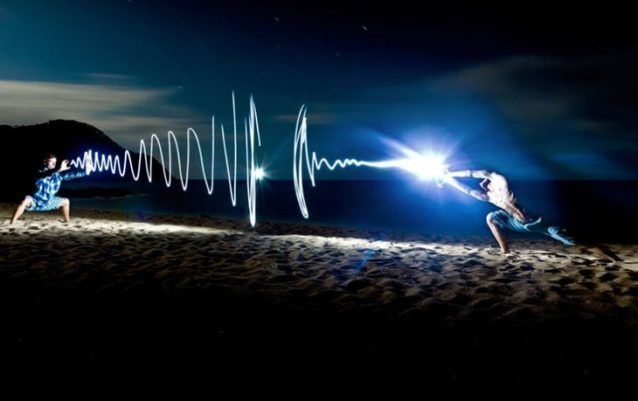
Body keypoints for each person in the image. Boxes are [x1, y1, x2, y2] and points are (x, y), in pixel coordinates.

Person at [443, 169, 574, 254]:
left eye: (484, 182)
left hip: (534, 221)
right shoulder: (490, 197)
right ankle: (504, 249)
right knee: (491, 217)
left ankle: (573, 240)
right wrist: (449, 179)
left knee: (568, 238)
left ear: (490, 182)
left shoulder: (501, 182)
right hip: (515, 222)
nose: (481, 184)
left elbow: (475, 173)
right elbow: (467, 190)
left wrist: (453, 173)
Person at [10, 153, 93, 224]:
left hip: (49, 202)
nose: (54, 164)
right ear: (45, 162)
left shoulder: (58, 175)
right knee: (25, 200)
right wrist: (59, 169)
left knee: (66, 201)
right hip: (35, 202)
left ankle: (67, 221)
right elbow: (45, 174)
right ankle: (13, 222)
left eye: (55, 162)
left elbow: (72, 175)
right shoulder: (38, 172)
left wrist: (86, 171)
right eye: (51, 162)